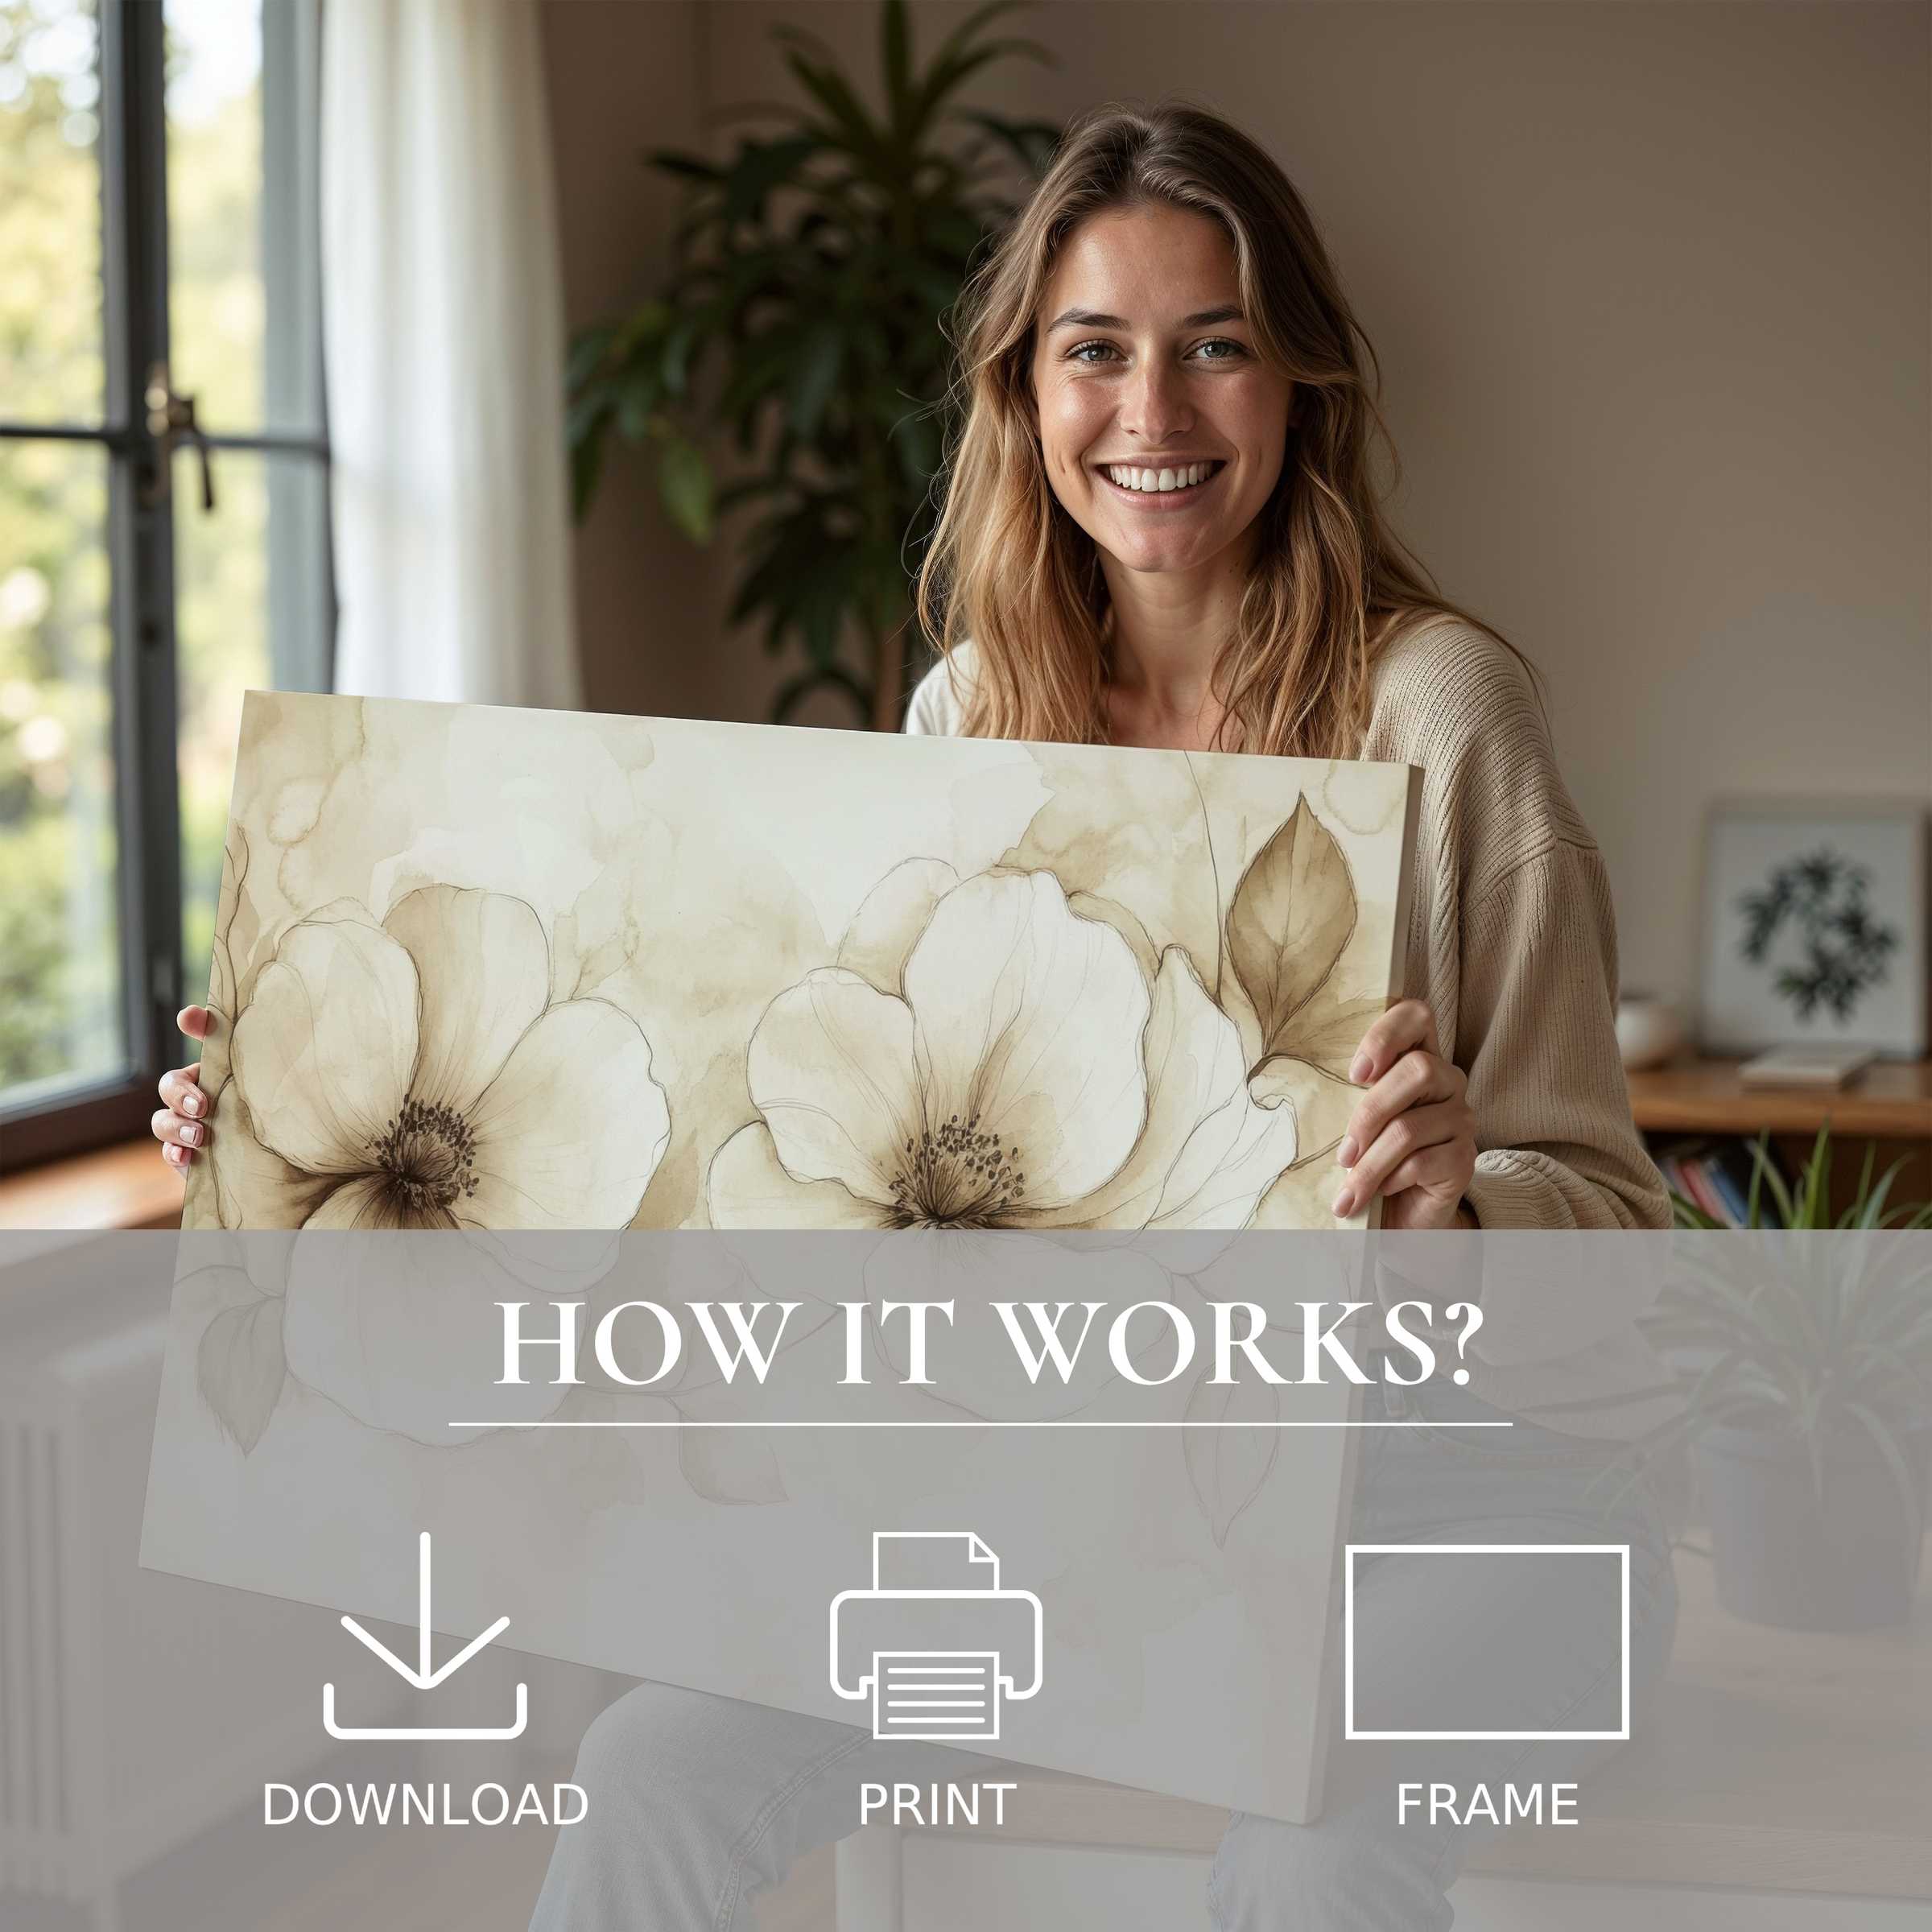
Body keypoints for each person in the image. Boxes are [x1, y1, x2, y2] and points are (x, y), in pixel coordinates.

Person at [152, 101, 1677, 1930]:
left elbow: (1625, 1260)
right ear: (1025, 395)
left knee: (1307, 1853)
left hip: (1466, 1525)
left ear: (1302, 389)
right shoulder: (972, 715)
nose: (1156, 416)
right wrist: (287, 1130)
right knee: (651, 1765)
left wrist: (1465, 1220)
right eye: (1093, 352)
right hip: (1098, 1535)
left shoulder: (1444, 714)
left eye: (1219, 350)